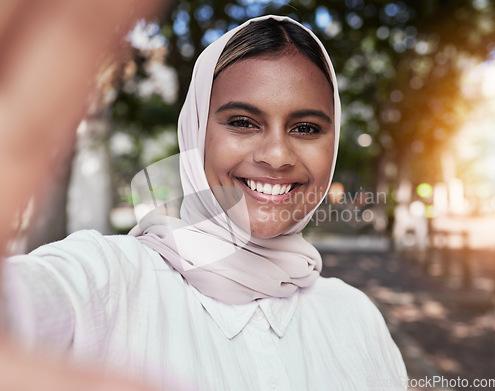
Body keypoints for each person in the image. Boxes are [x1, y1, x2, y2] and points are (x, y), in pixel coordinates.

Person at [3, 15, 407, 390]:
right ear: (197, 132)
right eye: (243, 123)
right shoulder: (108, 280)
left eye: (305, 128)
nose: (277, 155)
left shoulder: (356, 317)